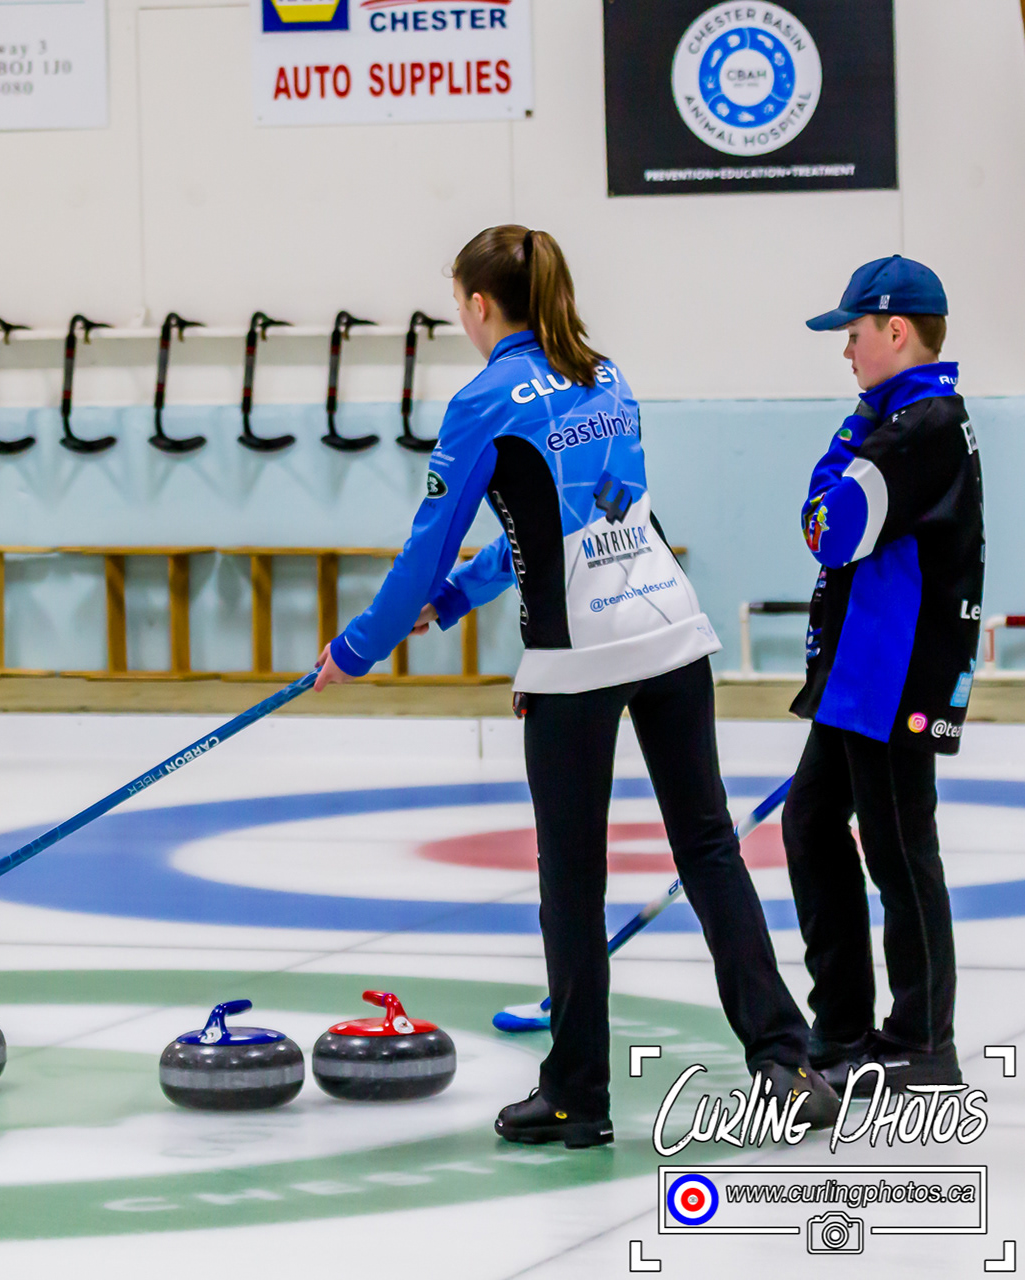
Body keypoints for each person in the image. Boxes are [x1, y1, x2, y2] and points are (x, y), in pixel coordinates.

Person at [314, 225, 838, 1147]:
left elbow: (426, 545)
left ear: (479, 305)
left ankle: (576, 1096)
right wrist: (460, 596)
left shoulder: (484, 401)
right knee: (709, 848)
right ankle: (786, 1060)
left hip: (579, 659)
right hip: (671, 629)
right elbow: (570, 525)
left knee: (572, 877)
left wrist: (357, 649)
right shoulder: (608, 375)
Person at [784, 256, 981, 1091]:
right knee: (810, 823)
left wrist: (835, 468)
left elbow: (831, 525)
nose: (847, 352)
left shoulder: (923, 422)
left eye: (854, 334)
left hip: (896, 675)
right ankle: (843, 1022)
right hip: (861, 674)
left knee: (900, 852)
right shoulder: (890, 416)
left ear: (895, 331)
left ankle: (922, 1041)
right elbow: (831, 513)